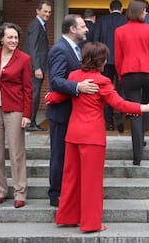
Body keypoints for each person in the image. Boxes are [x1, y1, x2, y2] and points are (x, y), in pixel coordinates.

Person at [45, 42, 149, 232]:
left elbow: (60, 95)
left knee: (71, 179)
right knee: (92, 182)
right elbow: (120, 104)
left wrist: (50, 97)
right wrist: (145, 107)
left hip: (73, 134)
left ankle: (67, 217)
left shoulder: (74, 77)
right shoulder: (102, 81)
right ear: (102, 61)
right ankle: (91, 223)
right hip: (92, 137)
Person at [46, 14, 99, 207]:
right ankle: (56, 194)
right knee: (59, 155)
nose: (87, 29)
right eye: (83, 26)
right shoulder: (60, 50)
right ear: (72, 29)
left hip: (74, 113)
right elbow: (56, 81)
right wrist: (79, 87)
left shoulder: (78, 49)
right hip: (61, 113)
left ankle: (67, 192)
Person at [0, 22, 32, 208]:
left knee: (16, 152)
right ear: (1, 39)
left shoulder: (24, 58)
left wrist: (27, 114)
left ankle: (20, 192)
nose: (14, 41)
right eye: (10, 37)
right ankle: (0, 190)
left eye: (16, 37)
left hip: (15, 108)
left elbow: (28, 89)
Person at [114, 0, 149, 165]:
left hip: (129, 73)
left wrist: (120, 75)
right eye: (144, 11)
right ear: (140, 12)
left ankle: (137, 155)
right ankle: (141, 140)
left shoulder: (120, 31)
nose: (146, 14)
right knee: (146, 107)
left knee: (134, 111)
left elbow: (118, 57)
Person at [93, 0, 127, 132]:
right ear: (122, 9)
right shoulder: (125, 21)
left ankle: (109, 121)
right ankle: (119, 111)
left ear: (109, 9)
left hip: (104, 60)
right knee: (120, 89)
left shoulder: (101, 21)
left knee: (105, 89)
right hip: (121, 61)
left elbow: (96, 40)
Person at [23, 0, 52, 132]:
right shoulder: (36, 25)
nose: (47, 14)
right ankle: (30, 122)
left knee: (35, 94)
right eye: (45, 11)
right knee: (33, 95)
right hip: (34, 67)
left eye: (49, 12)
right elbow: (32, 47)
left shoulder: (41, 25)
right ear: (37, 11)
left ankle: (32, 121)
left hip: (36, 66)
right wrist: (37, 67)